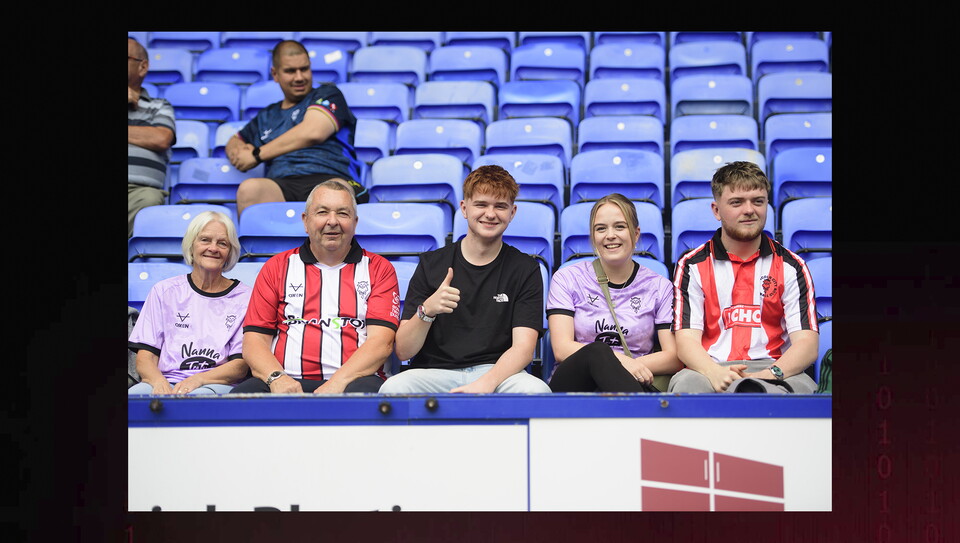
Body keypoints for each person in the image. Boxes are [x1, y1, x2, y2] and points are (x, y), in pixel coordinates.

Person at [378, 165, 551, 394]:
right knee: (394, 388)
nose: (490, 214)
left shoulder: (525, 269)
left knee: (537, 391)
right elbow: (404, 351)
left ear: (512, 212)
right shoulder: (432, 264)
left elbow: (523, 349)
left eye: (500, 206)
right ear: (464, 208)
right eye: (481, 204)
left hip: (498, 373)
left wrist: (486, 383)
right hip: (433, 373)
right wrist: (427, 310)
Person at [229, 180, 399, 394]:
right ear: (305, 221)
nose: (332, 221)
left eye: (343, 214)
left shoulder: (379, 269)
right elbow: (254, 341)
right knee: (241, 398)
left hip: (355, 381)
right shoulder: (276, 267)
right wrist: (277, 379)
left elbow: (381, 343)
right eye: (322, 212)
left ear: (355, 223)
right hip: (287, 380)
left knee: (368, 399)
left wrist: (337, 382)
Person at [670, 161, 819, 393]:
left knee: (802, 392)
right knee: (686, 386)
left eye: (758, 201)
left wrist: (771, 374)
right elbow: (686, 341)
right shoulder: (692, 265)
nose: (749, 210)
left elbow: (807, 344)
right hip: (710, 368)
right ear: (716, 210)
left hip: (777, 368)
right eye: (737, 202)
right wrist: (713, 372)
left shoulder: (792, 266)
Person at [546, 194, 681, 392]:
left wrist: (626, 367)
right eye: (601, 229)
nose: (610, 235)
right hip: (575, 383)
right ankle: (646, 416)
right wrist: (622, 361)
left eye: (620, 226)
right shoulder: (567, 277)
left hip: (634, 380)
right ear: (593, 237)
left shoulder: (659, 286)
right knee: (597, 351)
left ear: (636, 234)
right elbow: (561, 348)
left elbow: (673, 357)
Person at [226, 39, 365, 216]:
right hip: (282, 183)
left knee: (333, 195)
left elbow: (314, 132)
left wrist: (255, 155)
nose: (299, 77)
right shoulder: (266, 116)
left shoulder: (328, 94)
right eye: (290, 71)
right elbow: (235, 140)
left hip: (330, 177)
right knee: (250, 189)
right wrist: (239, 152)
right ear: (275, 74)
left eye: (304, 69)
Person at [128, 211, 252, 394]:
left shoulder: (245, 298)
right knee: (136, 396)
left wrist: (197, 380)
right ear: (191, 245)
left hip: (215, 384)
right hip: (166, 380)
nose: (213, 248)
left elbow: (239, 366)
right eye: (205, 240)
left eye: (222, 243)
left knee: (197, 399)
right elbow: (145, 357)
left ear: (230, 252)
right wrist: (157, 382)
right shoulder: (163, 291)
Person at [128, 37, 175, 238]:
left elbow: (161, 138)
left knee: (150, 202)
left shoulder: (159, 105)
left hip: (140, 193)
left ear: (143, 67)